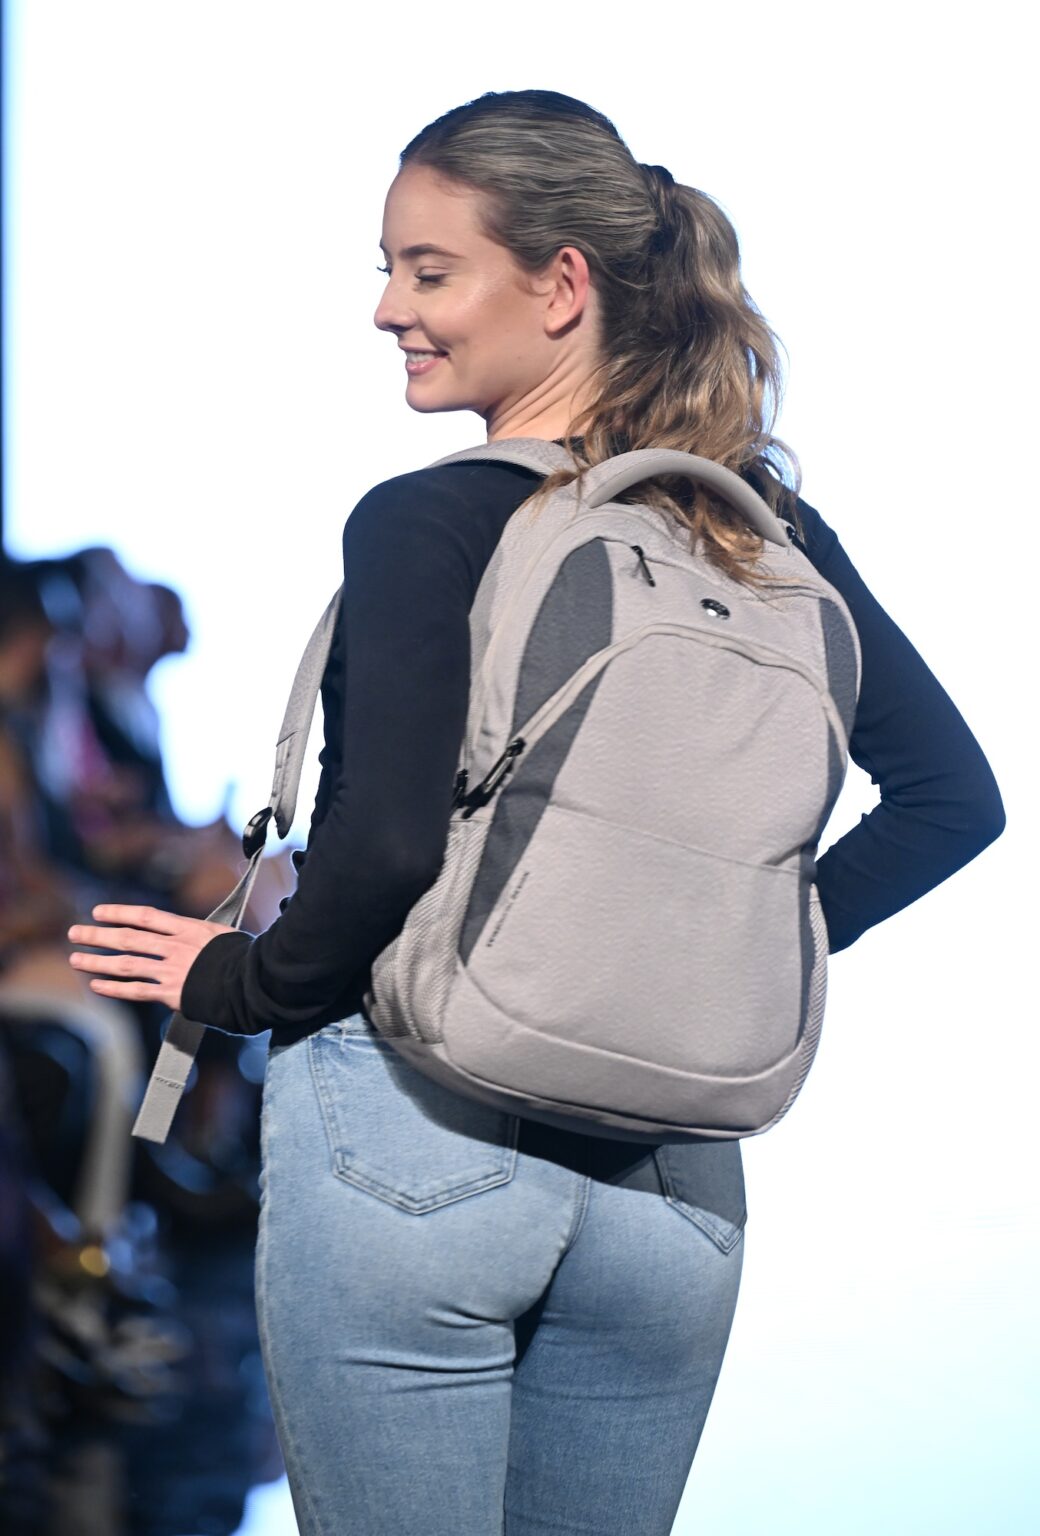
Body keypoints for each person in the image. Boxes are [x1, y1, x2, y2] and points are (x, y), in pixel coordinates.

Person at [66, 90, 1005, 1536]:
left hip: (416, 1135)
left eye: (429, 270)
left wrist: (241, 983)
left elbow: (380, 853)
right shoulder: (763, 533)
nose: (389, 308)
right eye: (386, 268)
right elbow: (954, 800)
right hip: (675, 1184)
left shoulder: (429, 519)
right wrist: (728, 946)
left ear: (562, 284)